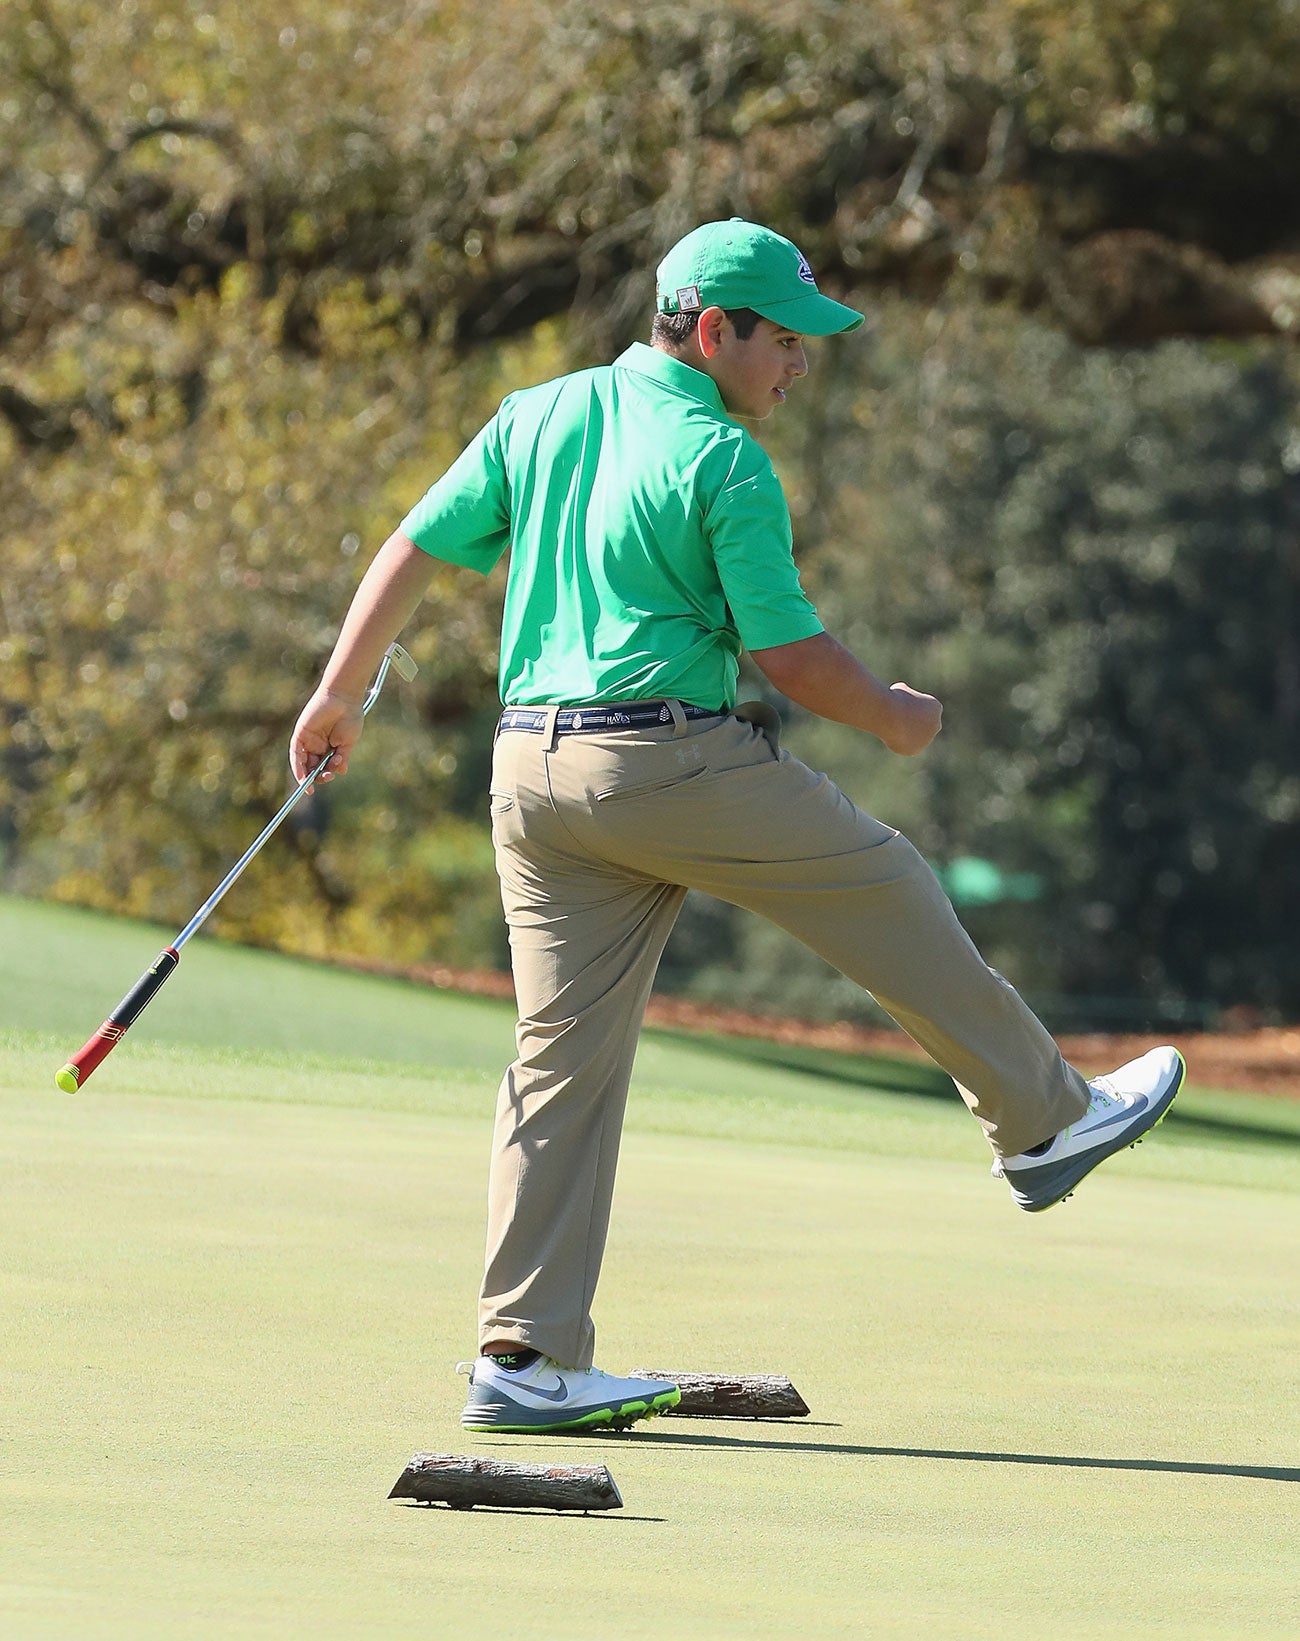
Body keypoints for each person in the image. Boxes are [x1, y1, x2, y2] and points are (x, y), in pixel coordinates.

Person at [289, 219, 1185, 1436]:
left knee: (560, 1062)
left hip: (529, 776)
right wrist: (895, 719)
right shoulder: (725, 460)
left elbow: (411, 546)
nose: (799, 366)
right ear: (713, 331)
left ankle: (524, 1355)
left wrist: (339, 691)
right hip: (661, 760)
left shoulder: (539, 412)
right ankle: (1045, 1123)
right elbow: (789, 656)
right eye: (784, 342)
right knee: (885, 883)